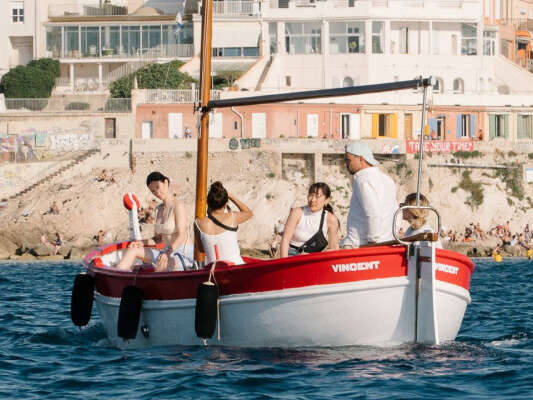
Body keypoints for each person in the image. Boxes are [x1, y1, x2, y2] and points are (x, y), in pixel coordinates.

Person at [117, 171, 192, 272]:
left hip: (181, 254)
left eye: (157, 187)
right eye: (152, 191)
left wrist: (168, 253)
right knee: (133, 249)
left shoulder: (178, 206)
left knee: (159, 267)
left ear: (165, 182)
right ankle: (117, 277)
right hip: (165, 253)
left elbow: (181, 235)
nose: (157, 192)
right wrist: (140, 242)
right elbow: (158, 239)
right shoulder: (159, 209)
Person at [341, 141, 398, 248]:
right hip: (387, 242)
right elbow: (396, 211)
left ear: (361, 159)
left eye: (348, 160)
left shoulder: (362, 180)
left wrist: (372, 241)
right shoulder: (387, 179)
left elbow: (373, 213)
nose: (346, 164)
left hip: (360, 244)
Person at [194, 181, 253, 265]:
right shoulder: (232, 217)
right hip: (236, 268)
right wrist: (230, 196)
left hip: (212, 271)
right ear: (225, 204)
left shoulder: (198, 223)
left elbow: (201, 249)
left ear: (208, 203)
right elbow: (249, 213)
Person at [280, 182, 339, 257]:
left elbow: (334, 248)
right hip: (292, 256)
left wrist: (322, 256)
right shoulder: (297, 213)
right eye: (311, 195)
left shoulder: (331, 219)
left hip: (314, 259)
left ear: (326, 200)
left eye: (317, 196)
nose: (312, 199)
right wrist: (285, 264)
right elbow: (285, 240)